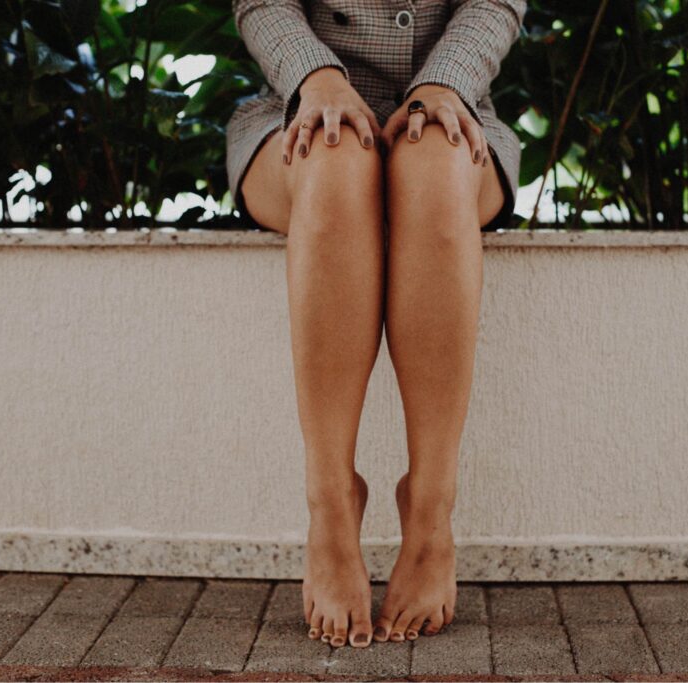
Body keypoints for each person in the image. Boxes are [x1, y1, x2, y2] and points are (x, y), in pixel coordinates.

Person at [225, 0, 526, 650]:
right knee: (336, 155)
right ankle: (331, 505)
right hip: (296, 112)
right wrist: (316, 76)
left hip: (457, 112)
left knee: (435, 160)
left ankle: (430, 509)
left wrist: (443, 83)